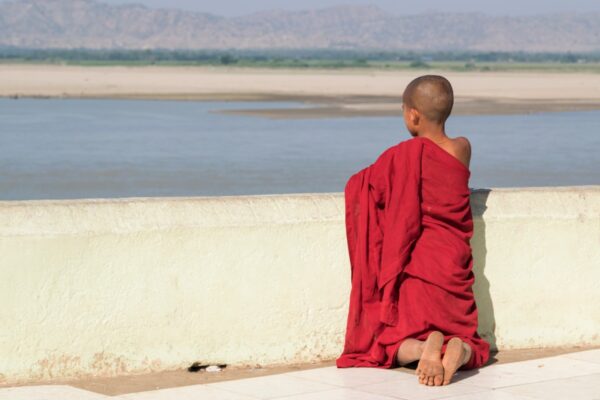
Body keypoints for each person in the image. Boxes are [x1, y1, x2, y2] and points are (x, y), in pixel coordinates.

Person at [336, 75, 490, 386]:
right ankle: (459, 351)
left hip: (417, 265)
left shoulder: (402, 154)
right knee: (468, 338)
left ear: (412, 115)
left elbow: (366, 186)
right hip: (452, 262)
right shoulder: (463, 147)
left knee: (384, 345)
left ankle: (423, 347)